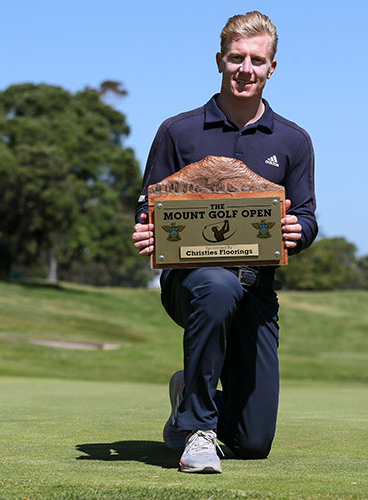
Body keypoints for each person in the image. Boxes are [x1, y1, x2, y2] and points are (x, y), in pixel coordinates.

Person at [131, 11, 317, 473]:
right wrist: (145, 228)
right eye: (236, 58)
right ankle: (198, 429)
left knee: (253, 444)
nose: (245, 69)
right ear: (219, 60)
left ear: (272, 67)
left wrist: (301, 231)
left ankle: (188, 393)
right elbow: (148, 205)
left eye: (257, 60)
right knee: (216, 284)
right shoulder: (179, 130)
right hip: (190, 284)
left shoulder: (295, 141)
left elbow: (308, 217)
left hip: (256, 290)